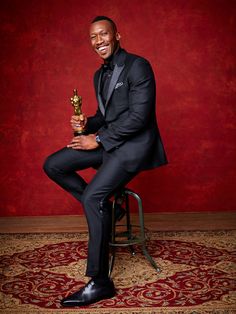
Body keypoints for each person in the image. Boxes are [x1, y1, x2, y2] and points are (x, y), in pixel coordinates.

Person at [43, 15, 167, 307]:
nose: (98, 41)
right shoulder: (99, 75)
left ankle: (100, 282)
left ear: (117, 35)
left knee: (91, 199)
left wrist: (96, 140)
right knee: (53, 164)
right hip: (110, 142)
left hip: (133, 147)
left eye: (103, 34)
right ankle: (108, 209)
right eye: (93, 37)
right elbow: (106, 118)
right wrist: (87, 123)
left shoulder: (139, 66)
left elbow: (140, 117)